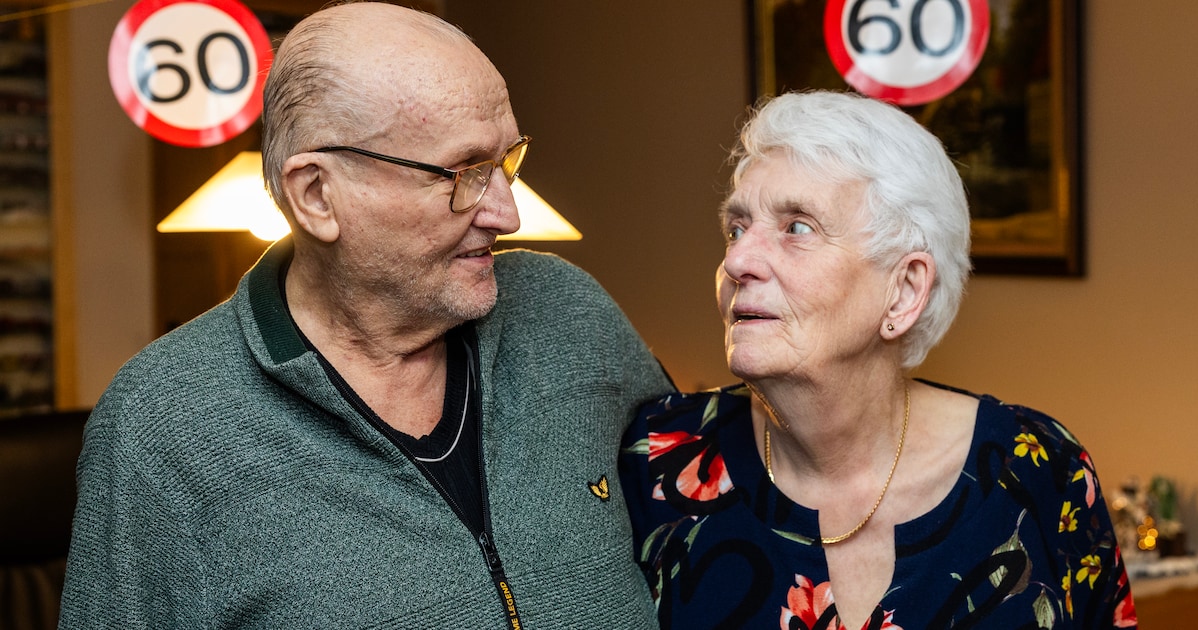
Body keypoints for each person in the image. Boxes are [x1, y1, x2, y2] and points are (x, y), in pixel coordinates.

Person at [60, 3, 672, 627]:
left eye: (507, 162)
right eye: (464, 173)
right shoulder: (163, 424)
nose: (506, 214)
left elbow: (713, 513)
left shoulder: (569, 315)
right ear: (318, 195)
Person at [619, 91, 1137, 629]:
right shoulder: (655, 462)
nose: (736, 260)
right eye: (736, 228)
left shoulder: (1039, 470)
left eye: (798, 227)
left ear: (904, 291)